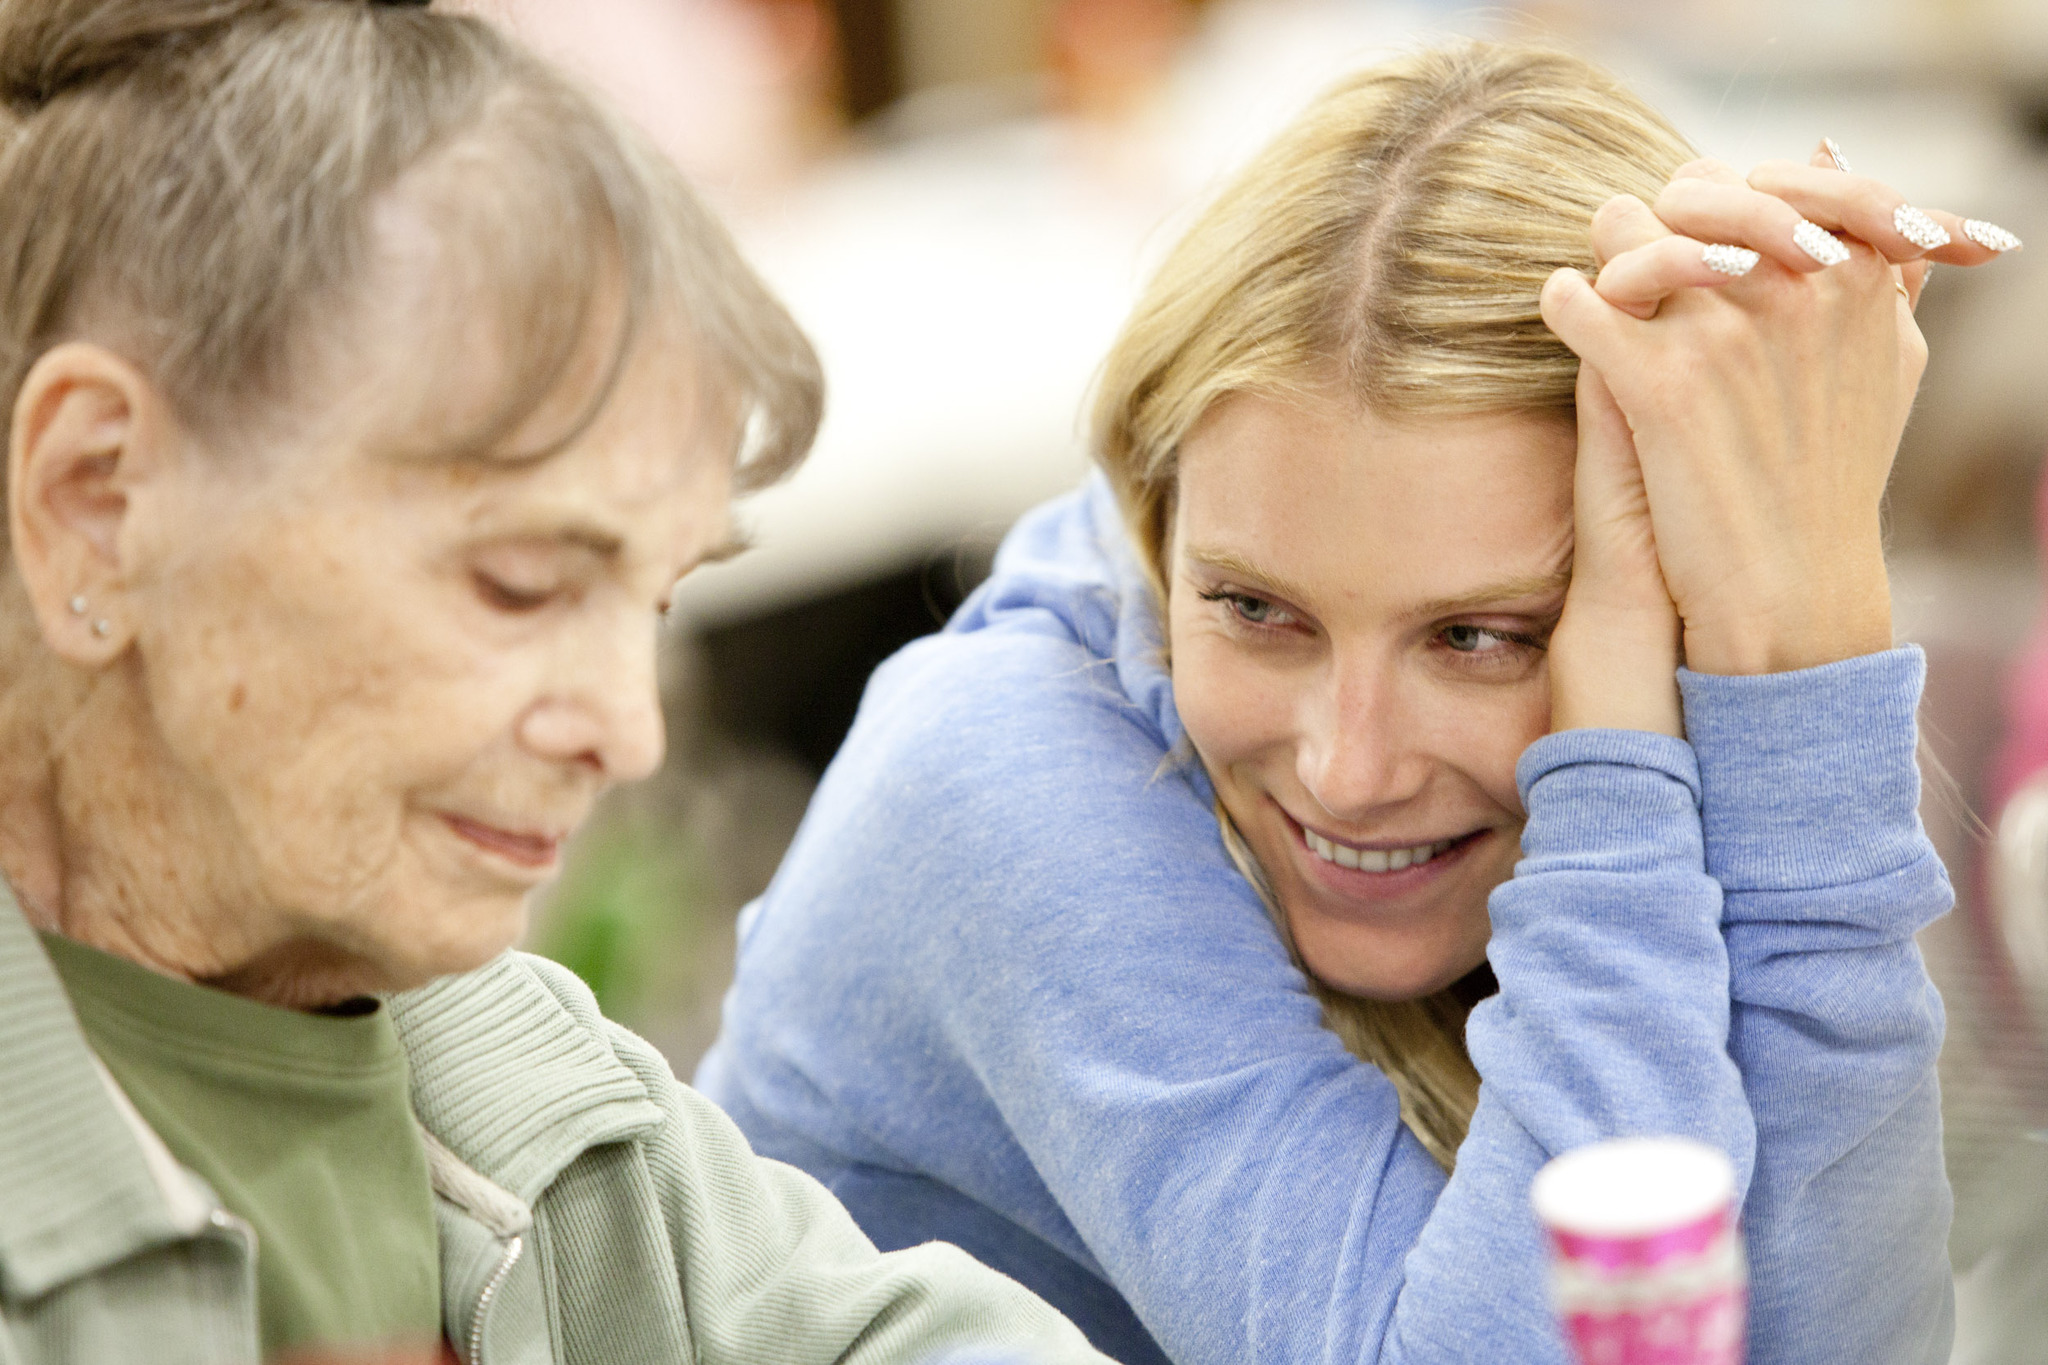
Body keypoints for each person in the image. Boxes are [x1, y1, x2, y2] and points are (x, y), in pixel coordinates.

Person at [697, 42, 2015, 1364]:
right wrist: (1610, 744)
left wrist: (1801, 660)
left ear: (1676, 588)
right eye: (1253, 608)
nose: (1349, 766)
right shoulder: (993, 777)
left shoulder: (1643, 731)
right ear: (1162, 527)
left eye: (1479, 635)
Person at [0, 3, 1115, 1363]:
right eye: (521, 582)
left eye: (652, 599)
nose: (628, 731)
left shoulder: (524, 1085)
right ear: (98, 499)